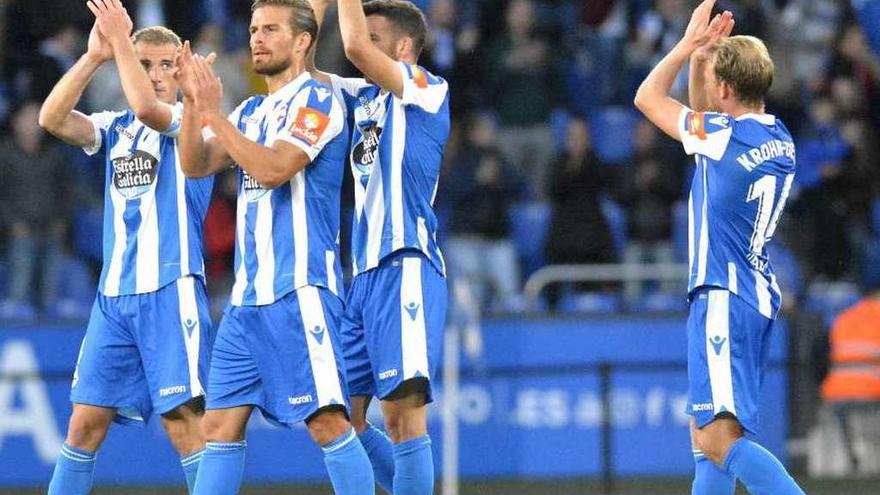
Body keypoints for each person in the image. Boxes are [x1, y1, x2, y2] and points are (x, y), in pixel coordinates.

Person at [175, 1, 374, 494]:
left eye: (270, 29)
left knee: (328, 424)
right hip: (247, 301)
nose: (256, 39)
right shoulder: (250, 110)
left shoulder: (319, 101)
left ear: (303, 41)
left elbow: (272, 168)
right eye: (253, 29)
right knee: (217, 428)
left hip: (300, 288)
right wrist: (192, 107)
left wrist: (215, 117)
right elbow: (195, 165)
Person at [38, 1, 214, 493]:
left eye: (164, 65)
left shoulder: (192, 120)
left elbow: (148, 110)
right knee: (82, 425)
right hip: (114, 298)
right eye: (143, 65)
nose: (155, 74)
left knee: (184, 426)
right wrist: (94, 57)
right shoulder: (115, 128)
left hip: (169, 289)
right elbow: (52, 119)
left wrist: (120, 42)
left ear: (181, 71)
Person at [633, 1, 805, 494]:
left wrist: (687, 47)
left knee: (718, 442)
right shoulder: (780, 136)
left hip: (722, 293)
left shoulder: (720, 135)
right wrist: (703, 61)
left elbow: (648, 97)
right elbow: (704, 118)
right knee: (705, 437)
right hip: (753, 291)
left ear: (725, 89)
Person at [308, 1, 450, 493]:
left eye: (375, 36)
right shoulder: (361, 97)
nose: (362, 43)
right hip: (362, 276)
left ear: (404, 46)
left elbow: (352, 47)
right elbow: (302, 68)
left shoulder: (429, 89)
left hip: (406, 261)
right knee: (341, 413)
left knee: (402, 418)